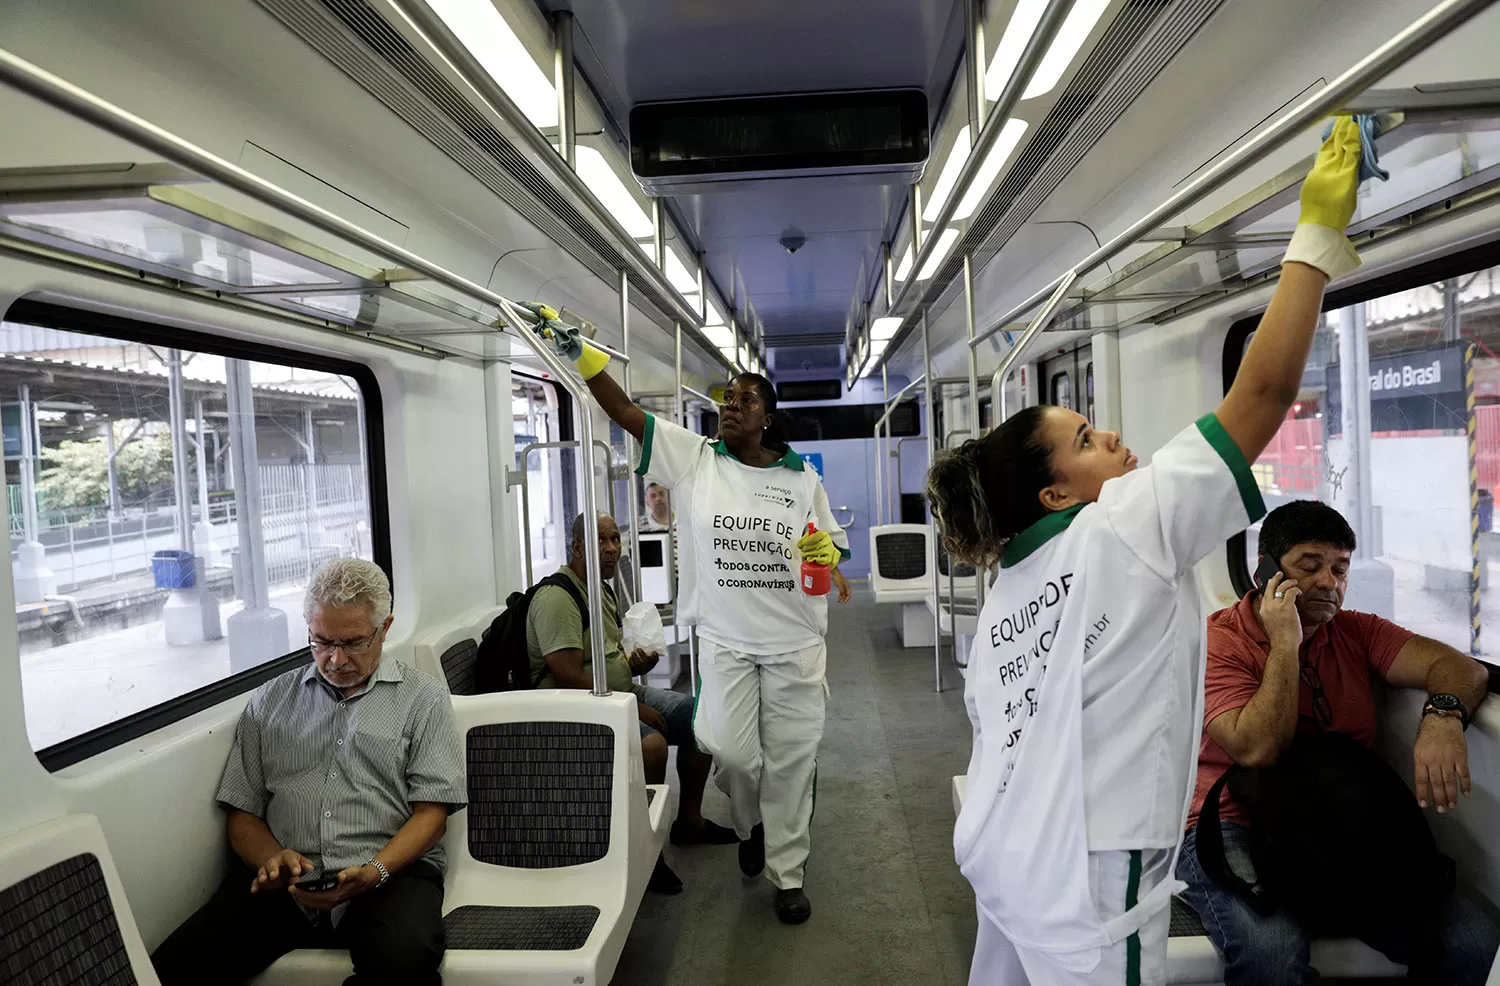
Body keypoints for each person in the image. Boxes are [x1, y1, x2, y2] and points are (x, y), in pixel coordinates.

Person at [925, 117, 1368, 986]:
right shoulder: (1125, 522)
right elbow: (1265, 393)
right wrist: (1315, 234)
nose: (1114, 436)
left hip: (1001, 843)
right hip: (1089, 864)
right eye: (1086, 437)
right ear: (1057, 493)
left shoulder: (1013, 581)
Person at [521, 309, 851, 924]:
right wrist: (583, 357)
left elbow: (833, 544)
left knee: (791, 758)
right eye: (728, 398)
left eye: (747, 400)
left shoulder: (801, 477)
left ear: (768, 418)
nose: (732, 405)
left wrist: (829, 551)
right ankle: (749, 820)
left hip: (795, 642)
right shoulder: (696, 459)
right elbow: (626, 415)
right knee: (730, 751)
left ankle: (786, 870)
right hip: (725, 640)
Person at [1176, 500, 1498, 985]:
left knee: (1473, 946)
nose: (1330, 583)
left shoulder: (1357, 631)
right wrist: (1286, 642)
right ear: (1265, 571)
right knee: (1272, 950)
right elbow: (1257, 749)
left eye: (1340, 569)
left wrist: (1442, 718)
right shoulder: (1220, 641)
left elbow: (1460, 668)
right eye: (1310, 567)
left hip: (1333, 822)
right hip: (1231, 821)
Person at [151, 558, 465, 986]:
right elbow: (243, 813)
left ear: (384, 628)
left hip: (390, 872)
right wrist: (270, 859)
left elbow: (432, 815)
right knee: (174, 966)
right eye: (321, 642)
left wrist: (374, 871)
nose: (335, 659)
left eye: (352, 643)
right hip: (290, 881)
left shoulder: (422, 699)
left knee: (405, 958)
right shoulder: (269, 703)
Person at [527, 511, 739, 894]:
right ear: (577, 548)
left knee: (699, 717)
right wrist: (629, 706)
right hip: (574, 706)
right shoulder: (558, 598)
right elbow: (568, 676)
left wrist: (636, 664)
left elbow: (606, 657)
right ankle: (647, 853)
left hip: (617, 694)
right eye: (600, 542)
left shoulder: (600, 589)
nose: (611, 550)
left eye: (614, 540)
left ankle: (689, 822)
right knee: (651, 746)